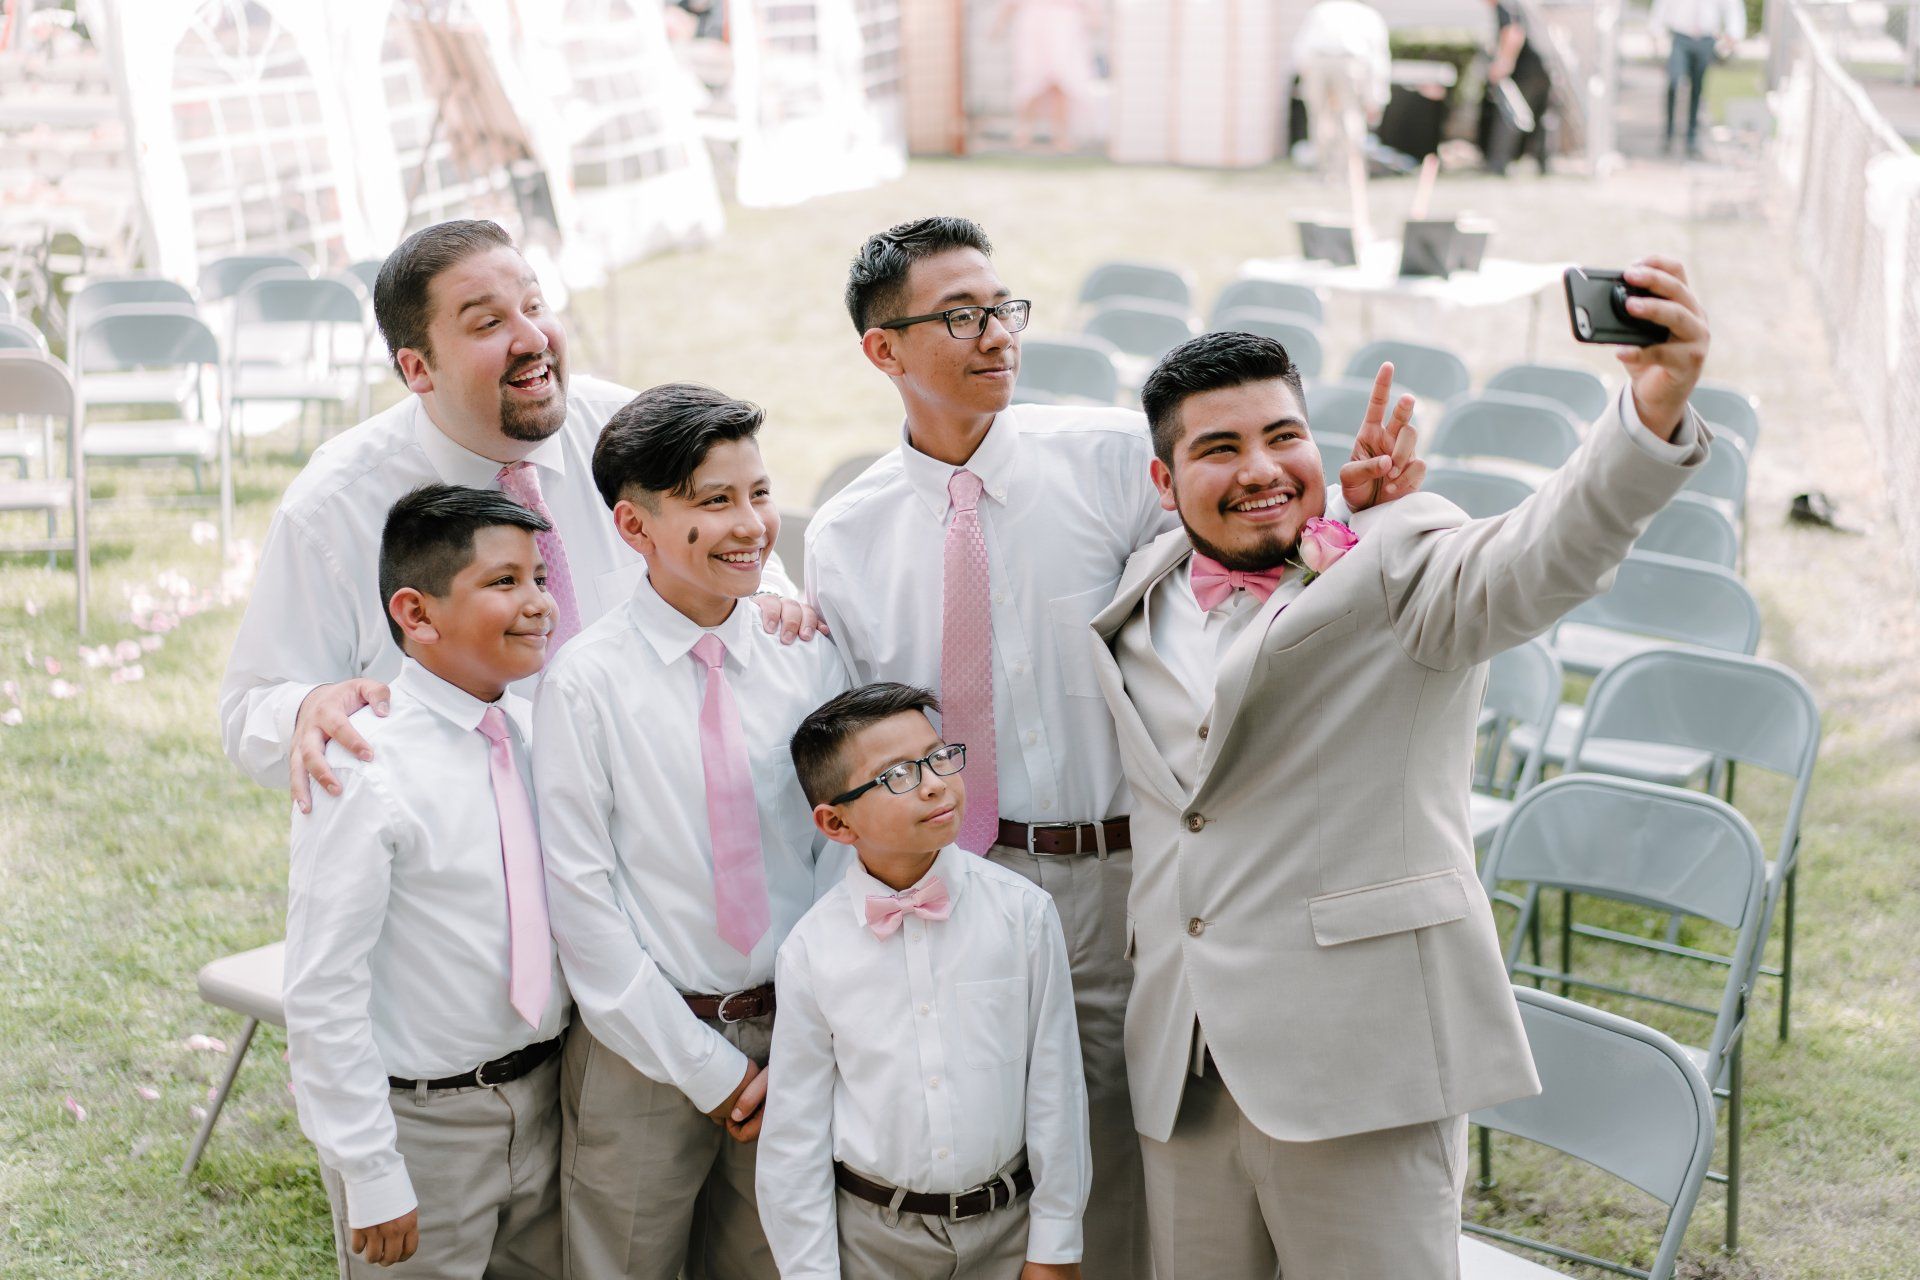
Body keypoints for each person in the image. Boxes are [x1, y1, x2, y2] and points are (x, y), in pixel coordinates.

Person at [803, 215, 1421, 1280]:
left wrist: (1339, 503)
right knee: (1007, 1144)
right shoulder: (845, 534)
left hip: (1135, 873)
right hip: (969, 882)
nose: (997, 334)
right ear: (883, 350)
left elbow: (1244, 564)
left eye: (1004, 307)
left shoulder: (1106, 461)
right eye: (960, 316)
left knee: (1149, 1153)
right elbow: (850, 721)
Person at [1083, 256, 1714, 1277]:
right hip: (1182, 1076)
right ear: (1164, 482)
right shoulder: (1135, 588)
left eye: (1284, 436)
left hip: (1359, 1064)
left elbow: (1543, 555)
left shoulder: (1400, 559)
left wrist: (1646, 414)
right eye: (1220, 448)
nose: (1260, 467)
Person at [218, 218, 815, 814]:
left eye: (535, 305)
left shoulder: (625, 432)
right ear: (418, 369)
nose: (532, 338)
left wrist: (769, 594)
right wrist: (308, 706)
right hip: (475, 831)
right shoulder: (335, 508)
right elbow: (252, 705)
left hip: (661, 812)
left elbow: (736, 550)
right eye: (489, 322)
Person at [532, 383, 851, 1279]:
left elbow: (836, 851)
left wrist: (805, 1035)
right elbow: (584, 906)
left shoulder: (807, 657)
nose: (753, 523)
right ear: (635, 529)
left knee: (769, 1261)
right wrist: (707, 1072)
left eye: (758, 493)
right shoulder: (585, 684)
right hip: (647, 1043)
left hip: (792, 1036)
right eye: (715, 502)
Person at [284, 484, 570, 1278]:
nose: (539, 604)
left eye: (541, 578)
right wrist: (370, 1169)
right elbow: (322, 983)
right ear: (415, 613)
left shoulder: (542, 727)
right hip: (424, 1121)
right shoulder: (363, 763)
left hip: (547, 1096)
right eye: (504, 582)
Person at [759, 682, 1090, 1280]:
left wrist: (1055, 1246)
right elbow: (795, 1132)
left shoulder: (1024, 914)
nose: (935, 782)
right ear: (835, 822)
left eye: (938, 756)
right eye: (896, 776)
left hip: (1007, 1226)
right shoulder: (812, 949)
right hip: (873, 1238)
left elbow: (1057, 1089)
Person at [1290, 0, 1392, 183]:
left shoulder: (1321, 10)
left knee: (1320, 117)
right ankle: (1348, 172)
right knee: (1350, 114)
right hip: (1348, 63)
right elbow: (1377, 57)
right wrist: (1376, 97)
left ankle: (1326, 172)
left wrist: (1304, 75)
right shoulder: (1367, 14)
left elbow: (1301, 47)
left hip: (1317, 62)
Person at [992, 0, 1100, 153]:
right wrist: (1000, 23)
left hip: (1065, 26)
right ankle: (1024, 131)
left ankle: (1061, 135)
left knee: (1063, 81)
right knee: (1030, 80)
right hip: (1033, 25)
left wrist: (1094, 17)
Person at [1651, 0, 1746, 159]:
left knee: (1697, 88)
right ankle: (1668, 133)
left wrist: (1734, 34)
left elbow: (1732, 7)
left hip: (1706, 38)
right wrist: (1656, 31)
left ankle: (1691, 139)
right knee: (1674, 82)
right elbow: (1662, 5)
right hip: (1680, 37)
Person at [1483, 0, 1553, 176]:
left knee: (1510, 115)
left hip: (1526, 68)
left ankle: (1498, 164)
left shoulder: (1505, 5)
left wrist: (1503, 63)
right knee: (1541, 117)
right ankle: (1544, 164)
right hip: (1544, 64)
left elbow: (1513, 32)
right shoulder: (1521, 4)